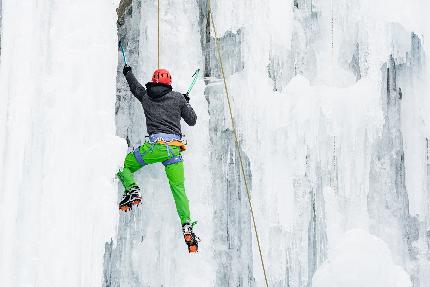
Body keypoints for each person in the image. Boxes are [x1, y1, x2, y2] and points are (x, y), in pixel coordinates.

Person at [117, 64, 199, 253]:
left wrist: (128, 72)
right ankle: (186, 224)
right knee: (179, 189)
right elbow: (192, 120)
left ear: (154, 81)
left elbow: (135, 87)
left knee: (122, 164)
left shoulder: (146, 97)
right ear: (169, 83)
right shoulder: (178, 98)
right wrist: (185, 103)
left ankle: (132, 189)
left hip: (155, 147)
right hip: (175, 151)